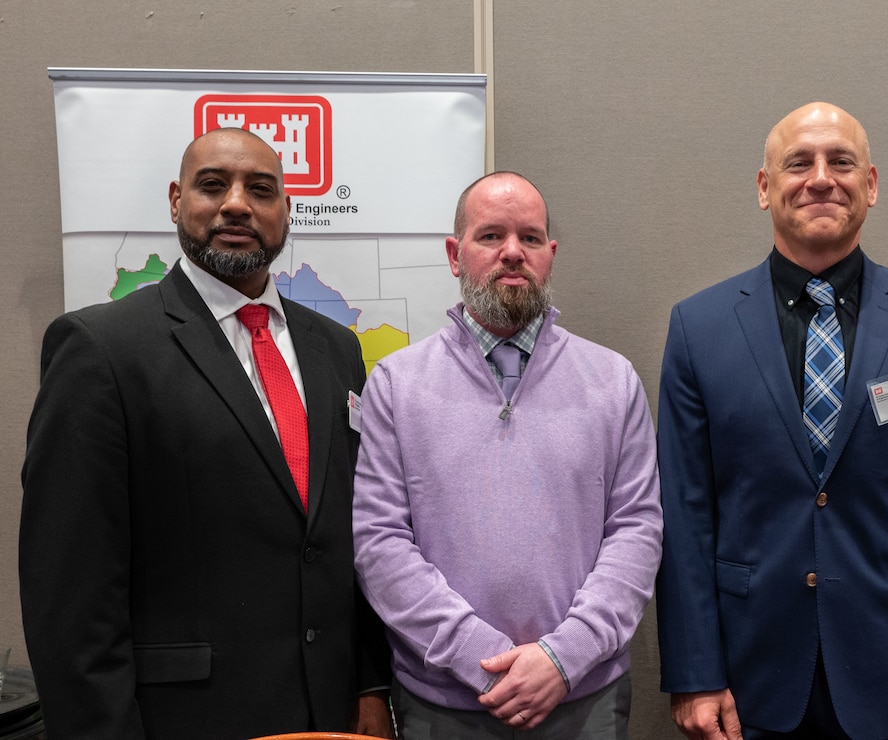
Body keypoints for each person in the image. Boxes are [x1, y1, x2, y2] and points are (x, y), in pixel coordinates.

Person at [19, 127, 392, 739]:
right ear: (175, 200)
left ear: (285, 209)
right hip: (183, 721)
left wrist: (371, 689)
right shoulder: (101, 351)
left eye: (261, 189)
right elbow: (69, 595)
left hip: (331, 716)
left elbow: (348, 539)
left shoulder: (336, 350)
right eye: (213, 185)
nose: (238, 204)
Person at [655, 102, 888, 740]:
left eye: (841, 162)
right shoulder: (698, 328)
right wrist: (694, 672)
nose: (821, 177)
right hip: (748, 681)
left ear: (870, 185)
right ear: (766, 189)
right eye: (799, 163)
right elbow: (684, 518)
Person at [352, 171, 663, 739]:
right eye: (491, 235)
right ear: (454, 254)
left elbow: (637, 531)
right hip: (443, 704)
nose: (513, 252)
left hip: (582, 697)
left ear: (551, 253)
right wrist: (480, 657)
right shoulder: (397, 384)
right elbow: (379, 543)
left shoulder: (612, 380)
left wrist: (562, 658)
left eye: (530, 237)